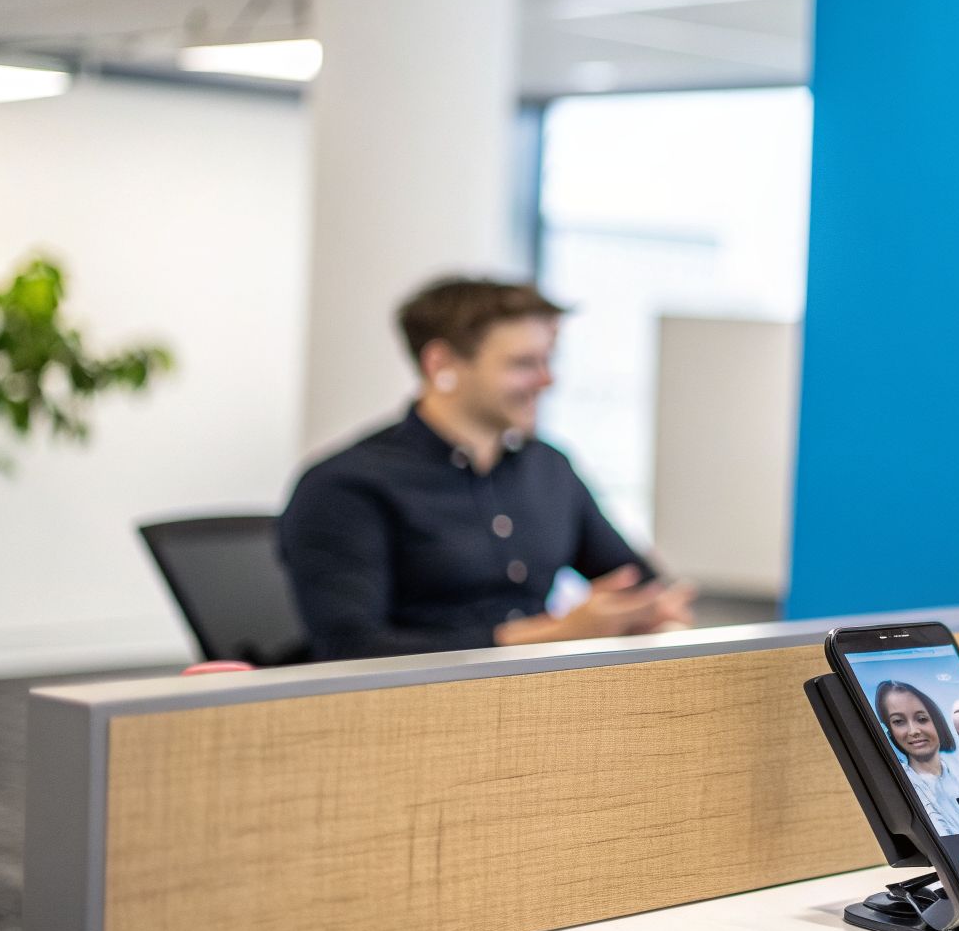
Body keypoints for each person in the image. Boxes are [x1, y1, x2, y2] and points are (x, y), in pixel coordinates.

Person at [279, 277, 696, 661]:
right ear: (441, 364)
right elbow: (352, 651)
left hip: (539, 702)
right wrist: (555, 633)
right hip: (414, 716)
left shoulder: (547, 466)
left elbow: (637, 582)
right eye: (523, 364)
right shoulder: (346, 486)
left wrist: (654, 612)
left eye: (548, 361)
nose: (547, 381)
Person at [874, 680, 959, 835]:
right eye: (898, 722)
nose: (913, 730)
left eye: (921, 719)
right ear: (889, 731)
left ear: (937, 721)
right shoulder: (904, 785)